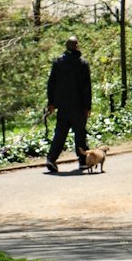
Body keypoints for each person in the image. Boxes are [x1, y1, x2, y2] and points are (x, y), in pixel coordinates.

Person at [45, 35, 92, 172]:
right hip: (78, 106)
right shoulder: (82, 63)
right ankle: (83, 161)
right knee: (80, 134)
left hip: (63, 106)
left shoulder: (58, 62)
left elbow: (51, 84)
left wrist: (51, 103)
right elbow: (86, 87)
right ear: (77, 46)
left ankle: (51, 159)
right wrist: (87, 106)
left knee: (60, 133)